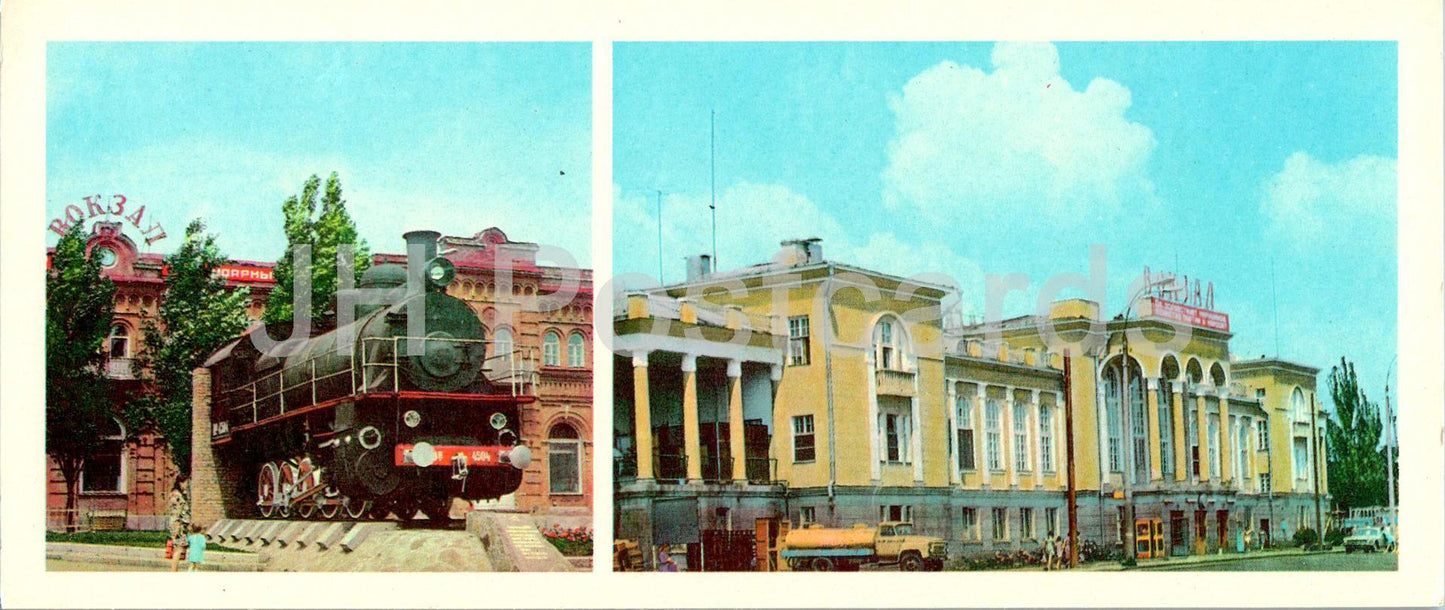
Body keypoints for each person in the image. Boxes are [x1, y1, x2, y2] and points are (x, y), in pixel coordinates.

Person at [167, 476, 191, 572]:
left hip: (181, 525)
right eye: (185, 483)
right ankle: (174, 571)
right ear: (180, 483)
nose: (186, 485)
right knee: (178, 550)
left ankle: (175, 570)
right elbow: (176, 512)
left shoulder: (177, 494)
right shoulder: (177, 496)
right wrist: (177, 527)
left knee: (179, 550)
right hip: (179, 526)